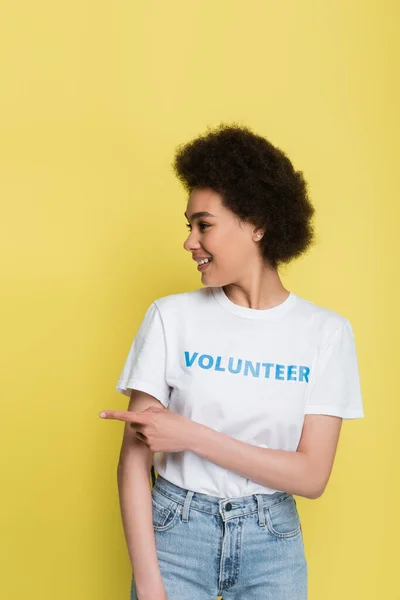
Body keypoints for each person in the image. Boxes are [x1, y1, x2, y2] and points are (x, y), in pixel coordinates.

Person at [114, 123, 364, 600]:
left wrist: (192, 436)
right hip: (174, 534)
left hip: (271, 543)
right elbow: (133, 460)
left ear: (257, 223)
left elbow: (311, 477)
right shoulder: (171, 317)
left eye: (203, 224)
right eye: (188, 226)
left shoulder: (326, 333)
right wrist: (149, 584)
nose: (190, 241)